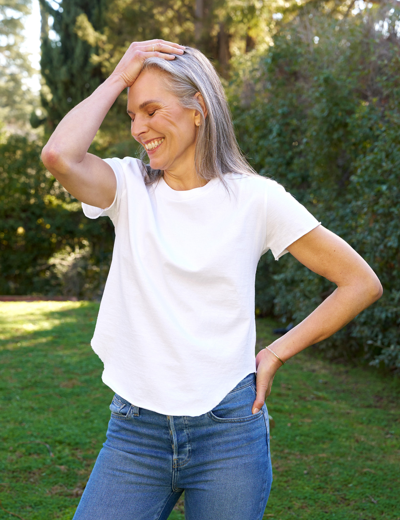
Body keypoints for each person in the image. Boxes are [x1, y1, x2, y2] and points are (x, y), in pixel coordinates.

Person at [41, 39, 383, 520]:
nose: (139, 128)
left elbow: (359, 282)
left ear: (198, 107)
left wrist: (275, 352)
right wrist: (120, 76)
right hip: (136, 432)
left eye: (152, 110)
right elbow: (59, 155)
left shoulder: (257, 199)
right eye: (131, 116)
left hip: (229, 435)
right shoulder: (128, 188)